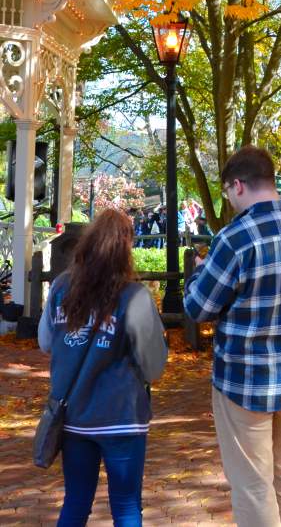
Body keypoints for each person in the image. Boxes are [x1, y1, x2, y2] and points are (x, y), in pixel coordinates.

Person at [183, 145, 281, 527]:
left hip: (244, 378)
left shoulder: (234, 238)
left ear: (237, 185)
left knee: (252, 482)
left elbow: (198, 308)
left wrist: (197, 274)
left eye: (227, 192)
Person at [37, 208, 168, 526]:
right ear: (126, 249)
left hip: (74, 415)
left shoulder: (60, 288)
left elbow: (44, 342)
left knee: (76, 501)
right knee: (125, 506)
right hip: (121, 416)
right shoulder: (133, 296)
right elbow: (153, 367)